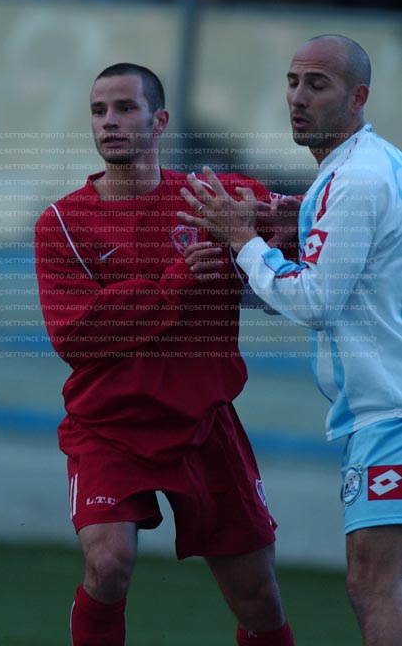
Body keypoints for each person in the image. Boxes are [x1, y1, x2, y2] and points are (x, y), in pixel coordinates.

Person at [34, 63, 297, 645]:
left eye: (125, 108)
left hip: (205, 423)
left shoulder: (212, 199)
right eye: (99, 111)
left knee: (259, 597)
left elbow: (306, 214)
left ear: (159, 122)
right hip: (110, 425)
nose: (109, 122)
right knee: (108, 564)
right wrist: (172, 286)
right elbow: (75, 334)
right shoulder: (62, 223)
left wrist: (295, 225)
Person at [178, 34, 402, 646]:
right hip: (383, 405)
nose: (298, 97)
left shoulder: (356, 180)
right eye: (293, 81)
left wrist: (241, 239)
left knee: (373, 583)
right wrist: (286, 226)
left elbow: (315, 301)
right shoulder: (372, 165)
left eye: (317, 84)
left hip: (389, 411)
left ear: (358, 96)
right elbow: (354, 284)